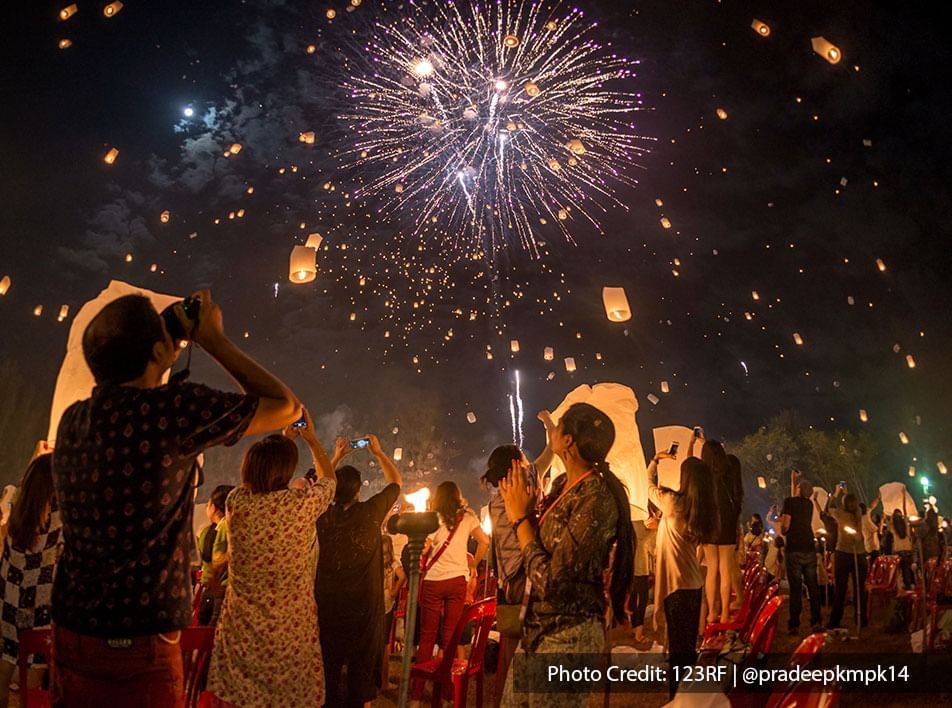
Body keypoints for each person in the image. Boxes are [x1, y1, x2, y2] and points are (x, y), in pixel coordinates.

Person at [51, 291, 300, 705]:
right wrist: (214, 340)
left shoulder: (74, 420)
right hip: (141, 645)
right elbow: (286, 407)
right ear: (158, 350)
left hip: (72, 631)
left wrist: (166, 339)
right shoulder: (172, 410)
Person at [497, 402, 634, 707]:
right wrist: (527, 515)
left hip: (567, 639)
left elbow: (552, 583)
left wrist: (520, 520)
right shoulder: (561, 486)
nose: (552, 431)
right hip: (537, 633)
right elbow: (545, 548)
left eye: (557, 426)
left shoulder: (595, 498)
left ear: (568, 440)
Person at [207, 413, 336, 706]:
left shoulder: (236, 502)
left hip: (241, 634)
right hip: (290, 633)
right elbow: (329, 479)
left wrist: (283, 440)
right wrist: (312, 441)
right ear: (287, 470)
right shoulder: (301, 506)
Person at [316, 434, 402, 708]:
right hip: (364, 608)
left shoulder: (323, 516)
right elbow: (395, 484)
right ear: (357, 492)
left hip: (327, 605)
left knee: (328, 669)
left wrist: (337, 456)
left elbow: (321, 484)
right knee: (361, 673)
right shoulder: (370, 512)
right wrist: (378, 452)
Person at [481, 413, 556, 707]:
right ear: (515, 465)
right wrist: (550, 425)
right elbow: (551, 452)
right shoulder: (523, 484)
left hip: (510, 581)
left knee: (513, 646)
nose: (527, 464)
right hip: (527, 574)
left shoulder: (495, 498)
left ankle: (507, 698)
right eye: (522, 460)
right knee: (532, 645)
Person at [410, 481, 490, 704]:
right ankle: (447, 694)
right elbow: (485, 541)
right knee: (450, 637)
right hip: (457, 581)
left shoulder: (433, 518)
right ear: (457, 496)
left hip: (434, 580)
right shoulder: (467, 517)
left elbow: (425, 547)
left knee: (427, 638)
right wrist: (474, 564)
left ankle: (416, 696)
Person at [646, 449, 715, 697]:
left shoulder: (674, 503)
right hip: (694, 586)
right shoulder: (701, 510)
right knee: (686, 649)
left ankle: (678, 699)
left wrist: (655, 460)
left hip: (677, 587)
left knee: (679, 652)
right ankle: (687, 697)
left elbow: (649, 485)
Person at [0, 450, 62, 707]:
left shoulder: (17, 509)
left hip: (9, 597)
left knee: (6, 654)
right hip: (41, 602)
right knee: (34, 667)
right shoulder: (58, 515)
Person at [699, 440, 742, 624]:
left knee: (711, 571)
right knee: (725, 571)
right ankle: (724, 613)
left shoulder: (704, 474)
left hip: (710, 525)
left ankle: (712, 613)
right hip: (727, 524)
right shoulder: (730, 471)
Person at [781, 471, 823, 635]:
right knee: (813, 586)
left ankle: (794, 624)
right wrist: (794, 481)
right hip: (808, 547)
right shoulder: (809, 504)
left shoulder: (789, 502)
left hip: (794, 549)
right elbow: (796, 501)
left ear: (798, 490)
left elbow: (786, 524)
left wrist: (784, 529)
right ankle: (816, 620)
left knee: (796, 588)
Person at [825, 485, 868, 629]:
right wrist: (846, 492)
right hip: (855, 553)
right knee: (858, 588)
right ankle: (861, 619)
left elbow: (829, 507)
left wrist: (836, 493)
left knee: (842, 589)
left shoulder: (840, 513)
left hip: (848, 553)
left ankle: (836, 621)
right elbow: (851, 503)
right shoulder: (859, 511)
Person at [197, 484, 234, 625]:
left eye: (208, 503)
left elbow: (217, 558)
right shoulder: (215, 529)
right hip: (216, 587)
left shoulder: (224, 526)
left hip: (217, 587)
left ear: (213, 507)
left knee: (211, 628)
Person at [630, 507, 659, 648]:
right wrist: (656, 528)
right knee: (642, 599)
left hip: (629, 564)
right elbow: (653, 548)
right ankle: (638, 634)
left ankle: (635, 627)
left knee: (634, 596)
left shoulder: (631, 517)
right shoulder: (644, 525)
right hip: (640, 564)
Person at [884, 510, 914, 588]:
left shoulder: (893, 528)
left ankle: (899, 589)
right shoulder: (906, 525)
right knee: (907, 571)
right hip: (908, 551)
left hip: (898, 551)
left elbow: (888, 524)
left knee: (898, 572)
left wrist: (892, 516)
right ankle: (908, 587)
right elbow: (906, 513)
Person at [860, 498, 881, 569]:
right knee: (874, 566)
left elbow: (871, 507)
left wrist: (878, 498)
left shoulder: (862, 516)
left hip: (867, 545)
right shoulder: (864, 519)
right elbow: (873, 529)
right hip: (872, 546)